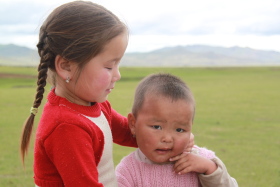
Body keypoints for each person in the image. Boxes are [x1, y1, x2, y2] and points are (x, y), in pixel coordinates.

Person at [20, 1, 194, 187]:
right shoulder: (66, 126)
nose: (117, 75)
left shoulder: (95, 105)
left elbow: (133, 134)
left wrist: (174, 139)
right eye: (109, 66)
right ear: (66, 66)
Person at [115, 73, 238, 187]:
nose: (167, 138)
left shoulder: (202, 160)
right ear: (133, 124)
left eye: (179, 130)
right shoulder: (128, 171)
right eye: (157, 127)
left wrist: (210, 169)